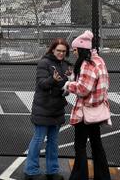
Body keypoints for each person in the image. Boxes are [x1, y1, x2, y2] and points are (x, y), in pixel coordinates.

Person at [64, 30, 111, 180]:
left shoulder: (87, 63)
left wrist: (68, 85)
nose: (73, 52)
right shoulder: (99, 61)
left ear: (82, 49)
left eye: (75, 49)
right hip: (96, 111)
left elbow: (83, 89)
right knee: (97, 146)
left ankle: (79, 177)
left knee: (80, 146)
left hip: (85, 112)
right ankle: (103, 176)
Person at [24, 38, 73, 180]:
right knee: (38, 139)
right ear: (52, 50)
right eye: (58, 50)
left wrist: (67, 88)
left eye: (64, 51)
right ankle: (30, 171)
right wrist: (53, 80)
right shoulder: (44, 63)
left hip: (57, 108)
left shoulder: (65, 65)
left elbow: (64, 86)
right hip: (43, 108)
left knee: (53, 141)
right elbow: (42, 84)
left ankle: (52, 171)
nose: (61, 53)